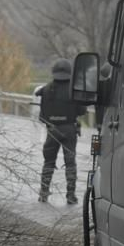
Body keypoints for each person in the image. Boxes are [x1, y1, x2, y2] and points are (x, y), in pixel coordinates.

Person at [38, 58, 87, 204]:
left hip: (52, 130)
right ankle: (70, 195)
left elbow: (42, 116)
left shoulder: (46, 90)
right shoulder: (74, 90)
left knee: (48, 162)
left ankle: (44, 193)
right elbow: (82, 110)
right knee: (70, 163)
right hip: (69, 130)